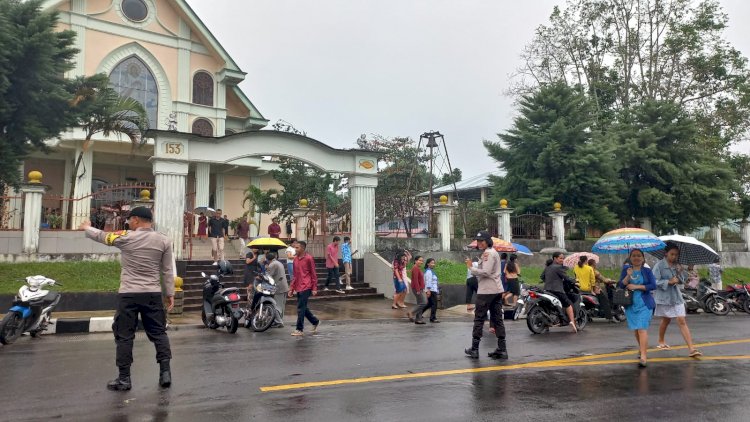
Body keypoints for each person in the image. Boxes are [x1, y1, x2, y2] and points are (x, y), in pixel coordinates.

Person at [79, 207, 174, 391]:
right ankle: (165, 373)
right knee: (159, 333)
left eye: (129, 220)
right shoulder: (164, 240)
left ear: (137, 220)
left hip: (129, 294)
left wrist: (87, 228)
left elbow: (103, 237)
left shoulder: (126, 237)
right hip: (152, 294)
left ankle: (124, 379)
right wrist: (170, 293)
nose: (128, 223)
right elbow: (167, 269)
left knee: (124, 336)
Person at [652, 244, 702, 357]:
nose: (674, 257)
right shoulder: (659, 266)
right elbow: (654, 281)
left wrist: (684, 271)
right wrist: (668, 282)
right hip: (664, 297)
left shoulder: (677, 266)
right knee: (666, 320)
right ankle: (661, 341)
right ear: (666, 253)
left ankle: (691, 349)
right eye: (672, 254)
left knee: (681, 320)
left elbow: (683, 281)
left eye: (676, 254)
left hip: (676, 296)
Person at [464, 231, 507, 360]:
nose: (479, 243)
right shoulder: (492, 253)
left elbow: (486, 272)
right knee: (497, 318)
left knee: (479, 318)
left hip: (486, 291)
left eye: (482, 241)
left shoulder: (488, 253)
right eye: (478, 241)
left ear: (488, 241)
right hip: (496, 290)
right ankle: (502, 349)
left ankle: (475, 349)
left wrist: (471, 268)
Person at [618, 248, 657, 368]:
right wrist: (627, 276)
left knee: (641, 328)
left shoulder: (647, 271)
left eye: (639, 256)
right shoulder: (626, 269)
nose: (636, 258)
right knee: (636, 330)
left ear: (643, 258)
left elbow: (653, 285)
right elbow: (620, 285)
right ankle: (641, 348)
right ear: (630, 258)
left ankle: (644, 356)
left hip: (645, 304)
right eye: (634, 255)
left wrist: (637, 286)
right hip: (631, 304)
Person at [288, 241, 320, 336]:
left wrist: (314, 287)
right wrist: (291, 288)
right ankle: (315, 321)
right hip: (298, 286)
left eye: (297, 248)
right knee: (303, 307)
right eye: (295, 247)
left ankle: (299, 329)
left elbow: (313, 274)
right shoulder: (295, 260)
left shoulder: (309, 258)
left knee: (300, 308)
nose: (295, 249)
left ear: (302, 248)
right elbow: (295, 275)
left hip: (307, 286)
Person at [543, 252, 578, 332]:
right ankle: (572, 322)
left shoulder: (548, 267)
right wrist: (574, 280)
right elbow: (566, 278)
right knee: (568, 304)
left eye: (563, 258)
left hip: (547, 290)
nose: (562, 260)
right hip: (557, 290)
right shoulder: (558, 267)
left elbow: (542, 277)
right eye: (560, 258)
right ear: (555, 258)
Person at [575, 255, 613, 322]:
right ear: (586, 261)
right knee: (605, 301)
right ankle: (609, 317)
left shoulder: (576, 268)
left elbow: (576, 277)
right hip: (589, 289)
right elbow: (593, 281)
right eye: (595, 263)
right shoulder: (590, 269)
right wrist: (592, 290)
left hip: (579, 288)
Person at [264, 252, 289, 328]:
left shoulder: (272, 265)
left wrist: (266, 268)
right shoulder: (279, 263)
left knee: (275, 306)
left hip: (278, 287)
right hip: (284, 286)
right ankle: (279, 320)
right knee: (281, 306)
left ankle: (279, 322)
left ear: (268, 259)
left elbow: (267, 276)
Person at [408, 255, 427, 324]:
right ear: (415, 261)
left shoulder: (417, 268)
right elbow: (415, 280)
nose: (421, 262)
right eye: (420, 260)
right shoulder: (415, 268)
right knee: (424, 303)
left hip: (420, 288)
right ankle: (411, 312)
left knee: (420, 303)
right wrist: (418, 290)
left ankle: (418, 319)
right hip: (417, 289)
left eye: (422, 261)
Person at [424, 258, 440, 323]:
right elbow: (428, 281)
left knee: (430, 304)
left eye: (434, 263)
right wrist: (428, 290)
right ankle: (432, 318)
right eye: (432, 263)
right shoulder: (428, 272)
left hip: (433, 290)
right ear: (428, 264)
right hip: (431, 290)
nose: (433, 264)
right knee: (434, 304)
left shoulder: (431, 271)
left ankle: (419, 313)